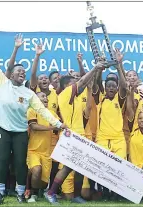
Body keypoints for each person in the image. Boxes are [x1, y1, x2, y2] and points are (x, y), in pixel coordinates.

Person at [0, 32, 66, 204]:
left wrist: (58, 124)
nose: (22, 72)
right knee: (3, 159)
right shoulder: (3, 83)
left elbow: (43, 111)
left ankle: (21, 193)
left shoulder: (29, 93)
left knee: (21, 162)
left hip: (20, 131)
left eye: (23, 71)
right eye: (18, 71)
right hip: (1, 129)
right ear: (11, 75)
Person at [44, 61, 105, 205]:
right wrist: (95, 67)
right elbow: (83, 81)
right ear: (66, 86)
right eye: (73, 82)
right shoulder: (65, 94)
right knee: (67, 167)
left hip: (80, 135)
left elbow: (86, 91)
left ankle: (76, 196)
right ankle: (51, 192)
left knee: (79, 167)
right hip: (70, 136)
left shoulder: (76, 99)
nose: (77, 84)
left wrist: (93, 80)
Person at [92, 50, 128, 201]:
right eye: (109, 86)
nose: (112, 88)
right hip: (102, 138)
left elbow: (125, 85)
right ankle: (104, 192)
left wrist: (119, 64)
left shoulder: (119, 100)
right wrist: (99, 68)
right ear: (105, 87)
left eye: (114, 85)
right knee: (104, 166)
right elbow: (96, 83)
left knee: (119, 167)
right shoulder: (100, 98)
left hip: (119, 139)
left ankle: (117, 193)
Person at [26, 92, 61, 202]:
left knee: (43, 183)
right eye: (42, 96)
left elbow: (59, 128)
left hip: (47, 153)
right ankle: (32, 193)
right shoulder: (32, 111)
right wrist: (51, 128)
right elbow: (33, 126)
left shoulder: (52, 114)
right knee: (36, 170)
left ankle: (37, 191)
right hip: (33, 150)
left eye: (46, 96)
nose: (45, 98)